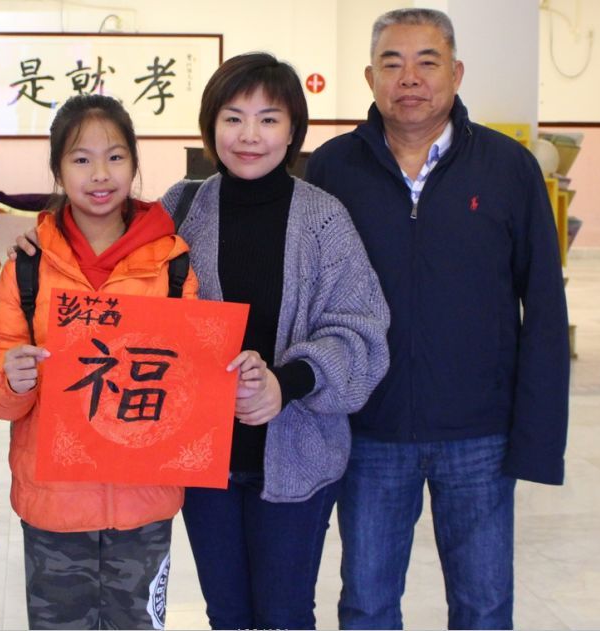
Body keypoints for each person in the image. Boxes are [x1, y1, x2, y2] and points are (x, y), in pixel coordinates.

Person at [305, 8, 570, 630]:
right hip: (371, 430)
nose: (410, 78)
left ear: (456, 72)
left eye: (427, 62)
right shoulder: (333, 168)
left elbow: (543, 305)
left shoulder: (507, 167)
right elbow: (308, 297)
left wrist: (537, 437)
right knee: (367, 604)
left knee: (484, 605)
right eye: (392, 63)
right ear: (370, 77)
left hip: (479, 432)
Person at [160, 53, 390, 630]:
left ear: (292, 131)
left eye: (268, 119)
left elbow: (362, 329)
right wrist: (39, 241)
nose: (250, 136)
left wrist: (285, 384)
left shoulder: (324, 218)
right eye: (233, 118)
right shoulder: (180, 207)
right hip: (203, 459)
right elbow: (117, 278)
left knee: (284, 614)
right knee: (227, 613)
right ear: (211, 126)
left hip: (298, 454)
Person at [0, 94, 201, 630]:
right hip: (54, 506)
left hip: (144, 504)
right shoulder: (28, 268)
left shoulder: (172, 265)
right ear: (58, 170)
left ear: (135, 163)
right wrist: (12, 379)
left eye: (115, 157)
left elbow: (188, 383)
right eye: (81, 159)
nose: (100, 174)